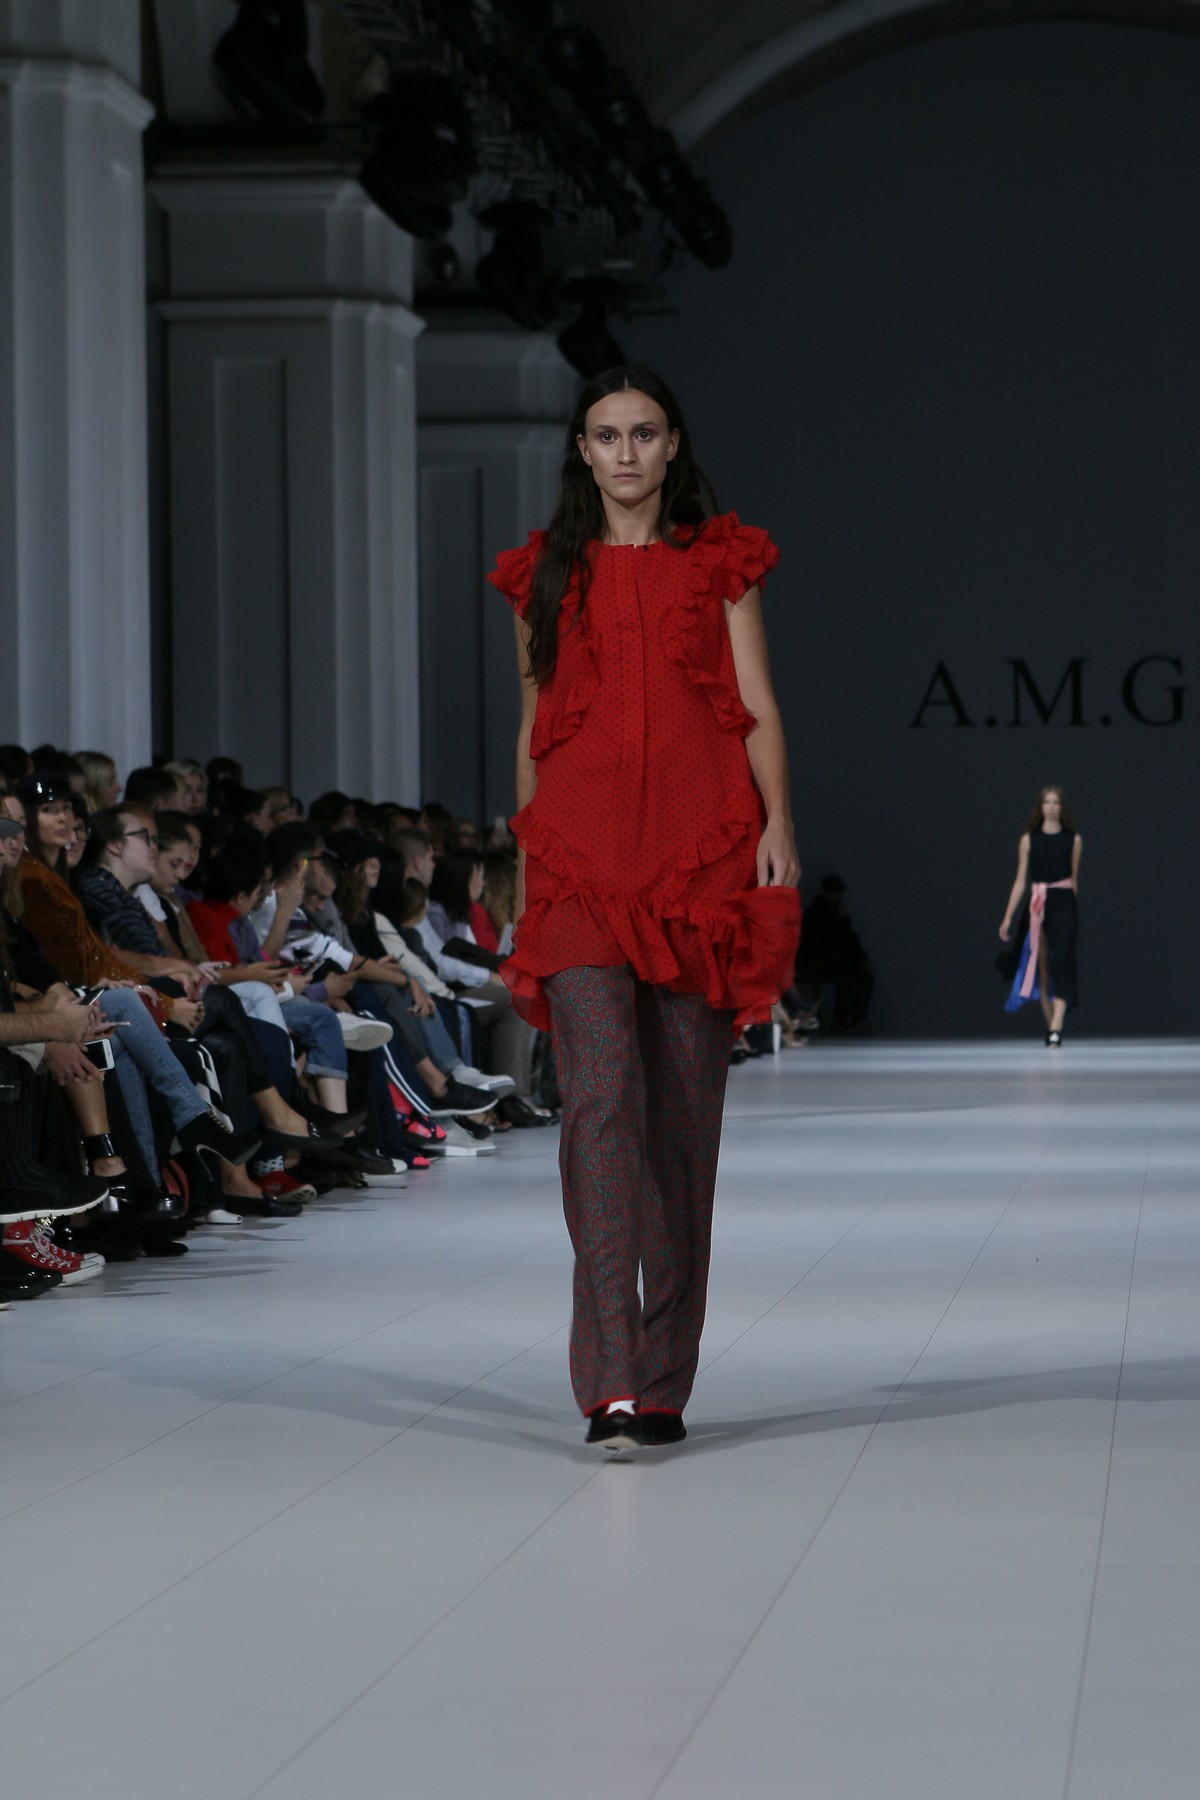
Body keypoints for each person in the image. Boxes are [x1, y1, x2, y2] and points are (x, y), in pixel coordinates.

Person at [489, 363, 801, 1453]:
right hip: (577, 864)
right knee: (599, 1107)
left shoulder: (719, 566)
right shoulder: (544, 576)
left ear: (673, 445)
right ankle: (610, 1378)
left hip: (698, 859)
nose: (626, 452)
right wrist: (527, 864)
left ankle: (663, 1380)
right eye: (607, 434)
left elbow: (757, 707)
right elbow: (535, 728)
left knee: (681, 1126)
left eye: (645, 432)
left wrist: (779, 825)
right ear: (582, 450)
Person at [998, 785, 1081, 1046]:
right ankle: (1051, 1025)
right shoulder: (1028, 840)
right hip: (1038, 904)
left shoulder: (1073, 840)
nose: (1051, 807)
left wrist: (1073, 911)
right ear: (1040, 807)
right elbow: (1020, 881)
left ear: (1061, 807)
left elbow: (1074, 879)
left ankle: (1057, 1025)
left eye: (1056, 802)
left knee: (1063, 960)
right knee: (1043, 967)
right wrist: (1008, 917)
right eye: (1047, 802)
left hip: (1064, 904)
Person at [795, 874, 874, 1034]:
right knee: (846, 975)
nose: (836, 896)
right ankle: (840, 1022)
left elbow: (849, 939)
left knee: (865, 976)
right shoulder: (815, 913)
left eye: (838, 892)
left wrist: (863, 959)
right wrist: (840, 922)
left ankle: (858, 1020)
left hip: (834, 962)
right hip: (816, 963)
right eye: (833, 892)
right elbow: (822, 943)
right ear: (824, 891)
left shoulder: (839, 913)